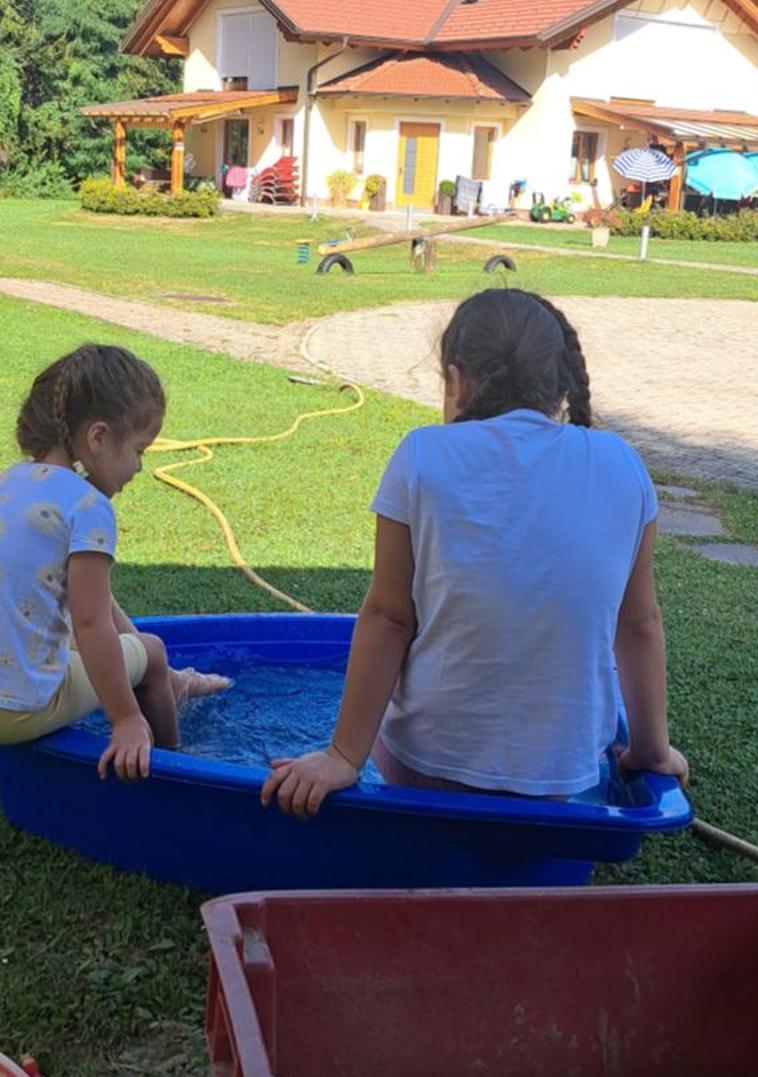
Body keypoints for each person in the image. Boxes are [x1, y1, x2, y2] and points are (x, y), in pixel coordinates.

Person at [262, 289, 687, 816]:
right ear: (561, 384)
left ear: (456, 380)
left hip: (425, 767)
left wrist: (343, 755)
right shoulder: (622, 464)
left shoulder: (422, 454)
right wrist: (650, 751)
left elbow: (390, 618)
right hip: (561, 773)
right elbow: (638, 623)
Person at [0, 343, 227, 778]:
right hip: (11, 712)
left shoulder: (1, 485)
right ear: (98, 437)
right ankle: (173, 763)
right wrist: (125, 719)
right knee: (151, 652)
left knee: (93, 607)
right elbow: (90, 626)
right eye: (140, 451)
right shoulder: (87, 505)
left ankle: (174, 680)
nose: (139, 468)